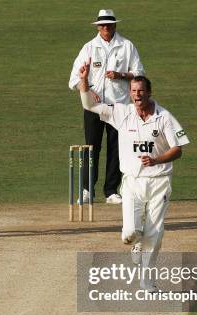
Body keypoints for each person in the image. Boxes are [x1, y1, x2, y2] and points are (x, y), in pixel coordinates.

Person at [78, 61, 190, 292]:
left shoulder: (164, 117)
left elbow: (178, 149)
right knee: (130, 233)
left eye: (141, 91)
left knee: (154, 233)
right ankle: (135, 243)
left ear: (149, 93)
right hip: (131, 183)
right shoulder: (122, 113)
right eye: (133, 92)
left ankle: (147, 282)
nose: (137, 96)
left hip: (159, 181)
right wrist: (84, 81)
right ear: (129, 94)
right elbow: (89, 104)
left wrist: (157, 160)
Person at [69, 9, 145, 205]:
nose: (105, 28)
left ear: (114, 26)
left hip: (119, 106)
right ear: (97, 27)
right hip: (93, 106)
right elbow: (74, 79)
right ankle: (87, 190)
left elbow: (139, 74)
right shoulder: (89, 48)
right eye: (101, 25)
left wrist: (120, 75)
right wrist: (86, 88)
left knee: (116, 148)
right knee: (91, 147)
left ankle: (111, 190)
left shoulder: (127, 46)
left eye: (108, 25)